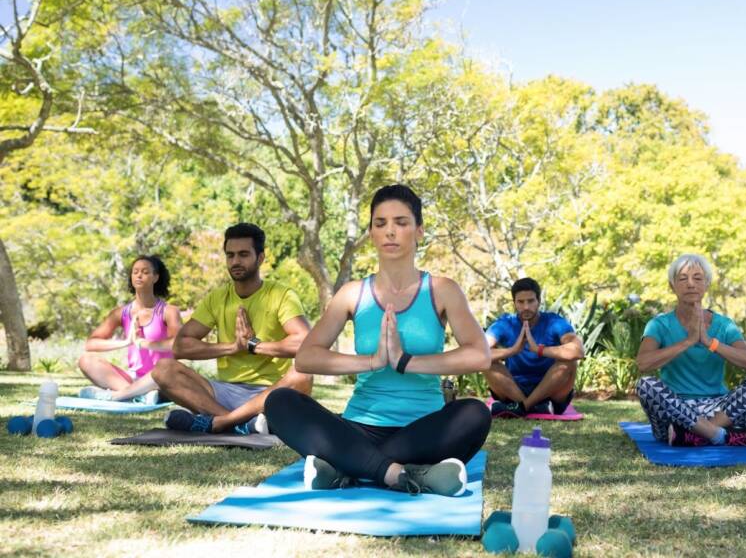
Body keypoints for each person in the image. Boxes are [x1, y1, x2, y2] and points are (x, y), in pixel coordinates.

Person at [264, 184, 492, 497]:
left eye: (401, 222)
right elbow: (306, 357)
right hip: (359, 427)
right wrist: (371, 362)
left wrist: (405, 362)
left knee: (475, 413)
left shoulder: (442, 290)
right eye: (380, 223)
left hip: (423, 431)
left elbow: (479, 355)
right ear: (371, 233)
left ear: (419, 231)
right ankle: (402, 474)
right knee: (280, 401)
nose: (390, 232)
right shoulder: (353, 293)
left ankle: (348, 466)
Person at [154, 222, 313, 434]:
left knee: (303, 375)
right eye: (230, 255)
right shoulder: (217, 298)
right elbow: (181, 347)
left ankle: (219, 422)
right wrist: (232, 347)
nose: (236, 261)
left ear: (260, 258)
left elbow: (306, 343)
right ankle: (240, 424)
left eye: (243, 254)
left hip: (271, 392)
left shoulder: (281, 295)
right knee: (163, 369)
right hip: (225, 391)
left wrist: (254, 345)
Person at [635, 253, 746, 447]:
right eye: (683, 278)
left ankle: (698, 434)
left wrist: (709, 342)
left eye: (697, 278)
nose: (691, 284)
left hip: (719, 410)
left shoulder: (724, 325)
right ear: (672, 286)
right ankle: (722, 436)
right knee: (645, 385)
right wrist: (688, 341)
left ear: (707, 284)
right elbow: (643, 363)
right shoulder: (658, 324)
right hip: (674, 410)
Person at [78, 255, 182, 403]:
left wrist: (142, 343)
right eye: (135, 272)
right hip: (133, 378)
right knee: (86, 360)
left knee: (163, 375)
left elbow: (177, 344)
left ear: (156, 277)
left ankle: (128, 394)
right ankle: (140, 395)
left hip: (160, 376)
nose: (139, 275)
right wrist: (127, 342)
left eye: (145, 272)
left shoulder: (169, 311)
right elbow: (91, 344)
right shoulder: (121, 313)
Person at [484, 277, 583, 418]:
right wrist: (512, 350)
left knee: (570, 359)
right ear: (514, 303)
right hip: (514, 390)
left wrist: (539, 349)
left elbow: (578, 351)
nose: (526, 307)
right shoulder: (505, 323)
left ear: (539, 301)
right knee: (485, 362)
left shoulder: (554, 322)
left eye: (530, 301)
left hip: (550, 391)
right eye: (520, 302)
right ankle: (530, 406)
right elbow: (478, 353)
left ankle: (523, 407)